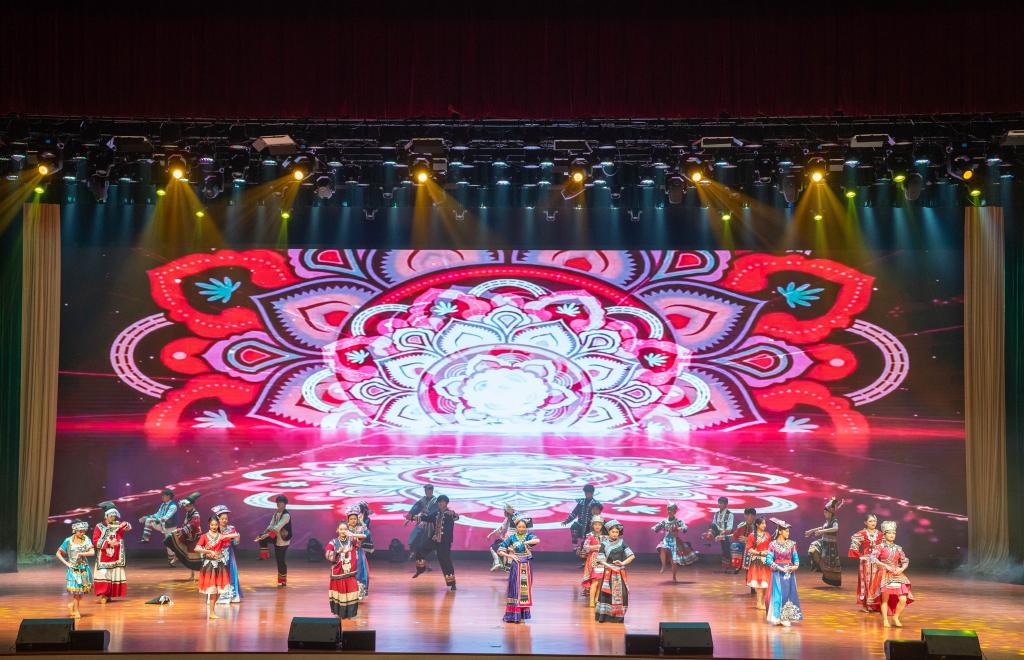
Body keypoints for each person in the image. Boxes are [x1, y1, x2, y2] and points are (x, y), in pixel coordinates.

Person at [869, 521, 913, 628]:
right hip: (885, 574)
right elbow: (872, 558)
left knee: (903, 599)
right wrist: (884, 565)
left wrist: (901, 568)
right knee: (885, 599)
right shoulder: (880, 547)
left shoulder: (898, 548)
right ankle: (885, 619)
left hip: (897, 574)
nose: (892, 535)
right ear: (884, 534)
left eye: (894, 533)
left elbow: (905, 560)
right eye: (889, 533)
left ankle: (896, 617)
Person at [498, 513, 540, 624]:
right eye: (519, 527)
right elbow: (500, 550)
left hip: (526, 565)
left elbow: (537, 540)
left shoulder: (529, 536)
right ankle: (513, 615)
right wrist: (511, 556)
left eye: (523, 527)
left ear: (526, 527)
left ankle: (522, 617)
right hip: (516, 565)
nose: (521, 529)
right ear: (516, 527)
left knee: (524, 590)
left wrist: (526, 542)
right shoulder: (512, 538)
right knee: (515, 589)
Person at [412, 494, 459, 590]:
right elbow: (425, 518)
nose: (441, 503)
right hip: (434, 539)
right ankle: (420, 569)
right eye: (439, 502)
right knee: (420, 549)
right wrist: (412, 517)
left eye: (443, 502)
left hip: (444, 542)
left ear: (446, 503)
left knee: (445, 562)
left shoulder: (449, 513)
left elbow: (456, 517)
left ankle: (452, 583)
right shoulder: (435, 514)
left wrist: (454, 514)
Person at [195, 515, 238, 619]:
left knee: (219, 591)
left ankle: (212, 610)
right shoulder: (204, 536)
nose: (214, 527)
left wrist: (234, 534)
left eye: (215, 525)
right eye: (212, 525)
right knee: (212, 590)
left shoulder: (221, 536)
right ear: (209, 525)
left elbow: (235, 535)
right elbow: (197, 548)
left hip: (220, 565)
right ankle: (212, 612)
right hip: (210, 566)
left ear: (218, 525)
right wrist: (208, 551)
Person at [594, 520, 635, 623]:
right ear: (609, 532)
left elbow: (632, 556)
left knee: (623, 594)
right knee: (607, 594)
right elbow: (601, 560)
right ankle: (604, 616)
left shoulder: (622, 543)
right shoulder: (604, 544)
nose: (615, 534)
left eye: (617, 532)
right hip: (609, 573)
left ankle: (618, 617)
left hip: (619, 572)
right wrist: (610, 567)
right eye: (613, 532)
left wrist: (622, 563)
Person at [765, 518, 802, 627]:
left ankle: (785, 617)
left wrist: (795, 566)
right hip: (777, 572)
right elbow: (768, 560)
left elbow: (796, 558)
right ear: (780, 531)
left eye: (788, 531)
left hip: (789, 572)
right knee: (778, 594)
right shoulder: (773, 544)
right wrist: (779, 568)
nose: (788, 533)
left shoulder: (792, 544)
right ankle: (777, 617)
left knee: (789, 594)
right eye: (786, 531)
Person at [326, 522, 366, 620]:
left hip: (350, 573)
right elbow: (328, 554)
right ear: (337, 530)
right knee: (340, 594)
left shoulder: (352, 540)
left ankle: (350, 613)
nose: (343, 531)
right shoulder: (333, 542)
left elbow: (364, 536)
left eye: (345, 529)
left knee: (352, 592)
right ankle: (340, 613)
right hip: (338, 572)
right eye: (341, 529)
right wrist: (337, 552)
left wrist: (352, 534)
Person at [93, 502, 131, 603]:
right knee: (103, 575)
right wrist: (109, 543)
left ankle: (109, 594)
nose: (113, 518)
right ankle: (104, 594)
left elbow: (128, 527)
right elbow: (95, 541)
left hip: (116, 555)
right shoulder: (99, 526)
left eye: (114, 516)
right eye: (111, 516)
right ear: (106, 516)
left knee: (114, 574)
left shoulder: (117, 524)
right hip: (104, 556)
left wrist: (124, 524)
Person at [57, 520, 95, 619]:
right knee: (76, 592)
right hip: (73, 569)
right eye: (80, 531)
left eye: (84, 531)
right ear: (75, 530)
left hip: (83, 568)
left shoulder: (86, 539)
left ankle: (72, 605)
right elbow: (58, 553)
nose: (82, 533)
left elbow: (92, 552)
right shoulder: (68, 541)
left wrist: (81, 553)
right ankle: (77, 611)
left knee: (82, 591)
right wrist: (66, 563)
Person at [651, 502, 696, 582]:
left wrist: (680, 528)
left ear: (675, 511)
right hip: (666, 540)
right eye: (668, 509)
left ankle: (674, 577)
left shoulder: (678, 521)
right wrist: (654, 528)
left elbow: (685, 527)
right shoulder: (664, 521)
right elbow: (657, 527)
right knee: (662, 548)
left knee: (674, 561)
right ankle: (663, 565)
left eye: (671, 510)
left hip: (675, 541)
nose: (669, 511)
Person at [255, 495, 292, 587]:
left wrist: (266, 535)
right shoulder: (276, 514)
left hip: (283, 541)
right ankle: (264, 556)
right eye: (277, 502)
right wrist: (264, 534)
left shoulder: (286, 515)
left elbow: (277, 528)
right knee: (261, 536)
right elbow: (271, 525)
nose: (278, 504)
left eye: (281, 502)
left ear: (285, 504)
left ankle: (283, 581)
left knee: (280, 561)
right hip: (275, 537)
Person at [848, 514, 882, 612]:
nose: (873, 523)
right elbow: (854, 546)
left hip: (877, 562)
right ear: (865, 522)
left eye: (874, 521)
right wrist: (861, 556)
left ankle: (875, 604)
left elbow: (884, 547)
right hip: (866, 563)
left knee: (877, 582)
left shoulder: (880, 534)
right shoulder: (862, 533)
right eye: (870, 521)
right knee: (866, 582)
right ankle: (865, 605)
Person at [164, 492, 202, 579]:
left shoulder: (196, 515)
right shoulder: (188, 513)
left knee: (193, 555)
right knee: (173, 535)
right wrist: (181, 530)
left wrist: (183, 530)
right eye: (185, 506)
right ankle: (176, 555)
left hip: (194, 536)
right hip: (188, 534)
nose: (186, 507)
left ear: (192, 505)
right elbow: (185, 523)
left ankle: (195, 574)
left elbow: (193, 524)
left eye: (187, 506)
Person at [806, 496, 842, 586]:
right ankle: (818, 567)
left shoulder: (834, 520)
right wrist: (811, 531)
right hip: (823, 542)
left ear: (830, 513)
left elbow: (835, 529)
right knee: (813, 548)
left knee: (830, 564)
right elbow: (821, 527)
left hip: (830, 545)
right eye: (824, 512)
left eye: (826, 512)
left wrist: (822, 531)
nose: (824, 513)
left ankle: (832, 579)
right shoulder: (827, 521)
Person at [213, 505, 242, 603]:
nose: (225, 520)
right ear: (218, 519)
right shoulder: (215, 529)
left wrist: (237, 538)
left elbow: (235, 543)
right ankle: (222, 595)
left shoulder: (231, 528)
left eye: (226, 518)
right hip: (219, 553)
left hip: (229, 552)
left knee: (231, 574)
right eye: (222, 519)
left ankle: (233, 595)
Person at [744, 517, 772, 611]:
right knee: (759, 584)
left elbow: (770, 547)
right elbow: (749, 549)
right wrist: (760, 553)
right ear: (757, 524)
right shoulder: (752, 536)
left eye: (765, 523)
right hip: (757, 562)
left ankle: (763, 602)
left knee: (766, 584)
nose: (765, 525)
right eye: (762, 523)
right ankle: (759, 603)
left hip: (766, 562)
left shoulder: (767, 535)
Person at [406, 485, 438, 560]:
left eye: (428, 490)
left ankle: (435, 552)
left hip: (432, 522)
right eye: (426, 490)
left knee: (433, 537)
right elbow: (415, 508)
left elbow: (434, 512)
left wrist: (427, 517)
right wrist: (410, 516)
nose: (427, 492)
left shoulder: (435, 501)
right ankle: (413, 551)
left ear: (432, 491)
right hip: (422, 521)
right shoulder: (422, 500)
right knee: (415, 535)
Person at [562, 484, 599, 551]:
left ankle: (586, 545)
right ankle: (575, 547)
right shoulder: (581, 502)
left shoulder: (596, 504)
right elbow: (574, 512)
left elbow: (597, 516)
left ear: (592, 493)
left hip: (590, 525)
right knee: (574, 526)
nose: (587, 494)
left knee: (586, 543)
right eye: (586, 493)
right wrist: (567, 520)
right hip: (580, 524)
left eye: (589, 493)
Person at [346, 505, 371, 599]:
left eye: (355, 519)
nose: (353, 520)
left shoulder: (360, 528)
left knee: (360, 571)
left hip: (358, 553)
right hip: (347, 552)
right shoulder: (345, 528)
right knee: (347, 571)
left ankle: (359, 592)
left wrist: (353, 534)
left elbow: (365, 535)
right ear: (348, 520)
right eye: (351, 519)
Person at [581, 516, 606, 606]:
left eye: (599, 524)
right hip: (594, 559)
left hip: (602, 559)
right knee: (595, 579)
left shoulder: (605, 537)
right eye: (595, 524)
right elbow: (585, 547)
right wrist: (596, 547)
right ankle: (591, 601)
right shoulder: (590, 536)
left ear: (602, 526)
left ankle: (596, 599)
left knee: (601, 580)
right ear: (592, 525)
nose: (597, 526)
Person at [706, 497, 735, 572]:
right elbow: (714, 525)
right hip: (718, 532)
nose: (719, 504)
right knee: (712, 525)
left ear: (726, 504)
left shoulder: (730, 514)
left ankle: (728, 566)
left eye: (721, 503)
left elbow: (730, 528)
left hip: (726, 534)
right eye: (718, 503)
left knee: (726, 550)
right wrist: (717, 534)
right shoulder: (716, 514)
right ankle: (709, 536)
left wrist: (722, 533)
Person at [487, 504, 517, 572]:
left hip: (512, 543)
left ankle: (500, 563)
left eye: (504, 511)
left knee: (493, 547)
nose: (504, 512)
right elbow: (501, 527)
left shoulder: (513, 520)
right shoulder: (508, 519)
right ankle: (506, 565)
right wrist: (491, 534)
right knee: (498, 543)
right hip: (512, 542)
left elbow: (507, 532)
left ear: (507, 512)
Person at [731, 507, 757, 573]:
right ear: (744, 515)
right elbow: (734, 535)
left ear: (754, 516)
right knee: (735, 545)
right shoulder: (741, 525)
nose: (749, 517)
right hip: (743, 546)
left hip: (755, 547)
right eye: (747, 515)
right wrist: (723, 537)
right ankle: (737, 566)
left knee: (749, 548)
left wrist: (748, 539)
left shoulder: (758, 526)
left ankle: (749, 567)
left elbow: (761, 538)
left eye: (751, 515)